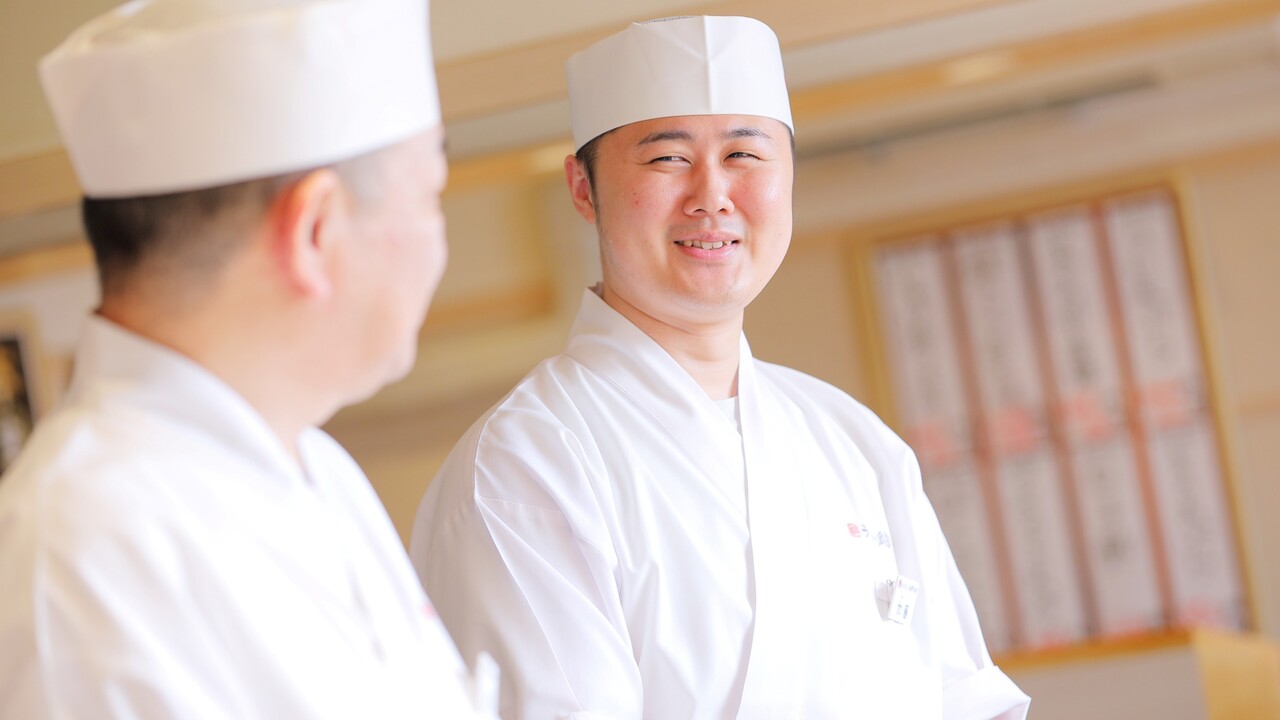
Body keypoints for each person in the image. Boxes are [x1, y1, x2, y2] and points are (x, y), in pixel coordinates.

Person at [410, 15, 1031, 720]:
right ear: (583, 189)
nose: (712, 195)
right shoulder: (525, 466)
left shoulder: (853, 443)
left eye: (745, 154)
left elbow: (961, 698)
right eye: (667, 159)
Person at [0, 0, 495, 716]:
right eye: (430, 198)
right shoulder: (82, 554)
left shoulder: (320, 473)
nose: (436, 242)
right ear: (316, 233)